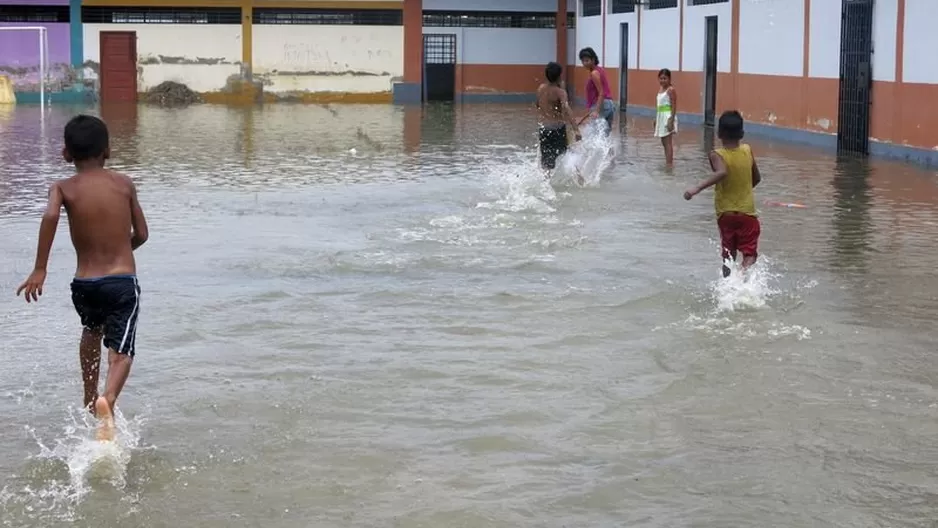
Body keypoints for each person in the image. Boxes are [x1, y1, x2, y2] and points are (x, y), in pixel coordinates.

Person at [16, 114, 148, 441]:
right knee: (121, 350)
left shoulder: (61, 187)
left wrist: (41, 268)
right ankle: (109, 399)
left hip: (84, 284)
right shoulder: (124, 183)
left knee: (91, 330)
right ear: (108, 151)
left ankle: (89, 396)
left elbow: (49, 215)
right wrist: (121, 248)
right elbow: (142, 234)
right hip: (121, 282)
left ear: (66, 154)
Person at [683, 110, 762, 278]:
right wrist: (743, 191)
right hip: (747, 214)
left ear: (719, 133)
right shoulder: (748, 150)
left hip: (725, 215)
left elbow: (722, 172)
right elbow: (757, 178)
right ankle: (742, 276)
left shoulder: (716, 154)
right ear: (742, 132)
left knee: (728, 255)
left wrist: (696, 188)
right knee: (750, 254)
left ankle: (728, 284)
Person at [536, 61, 581, 173]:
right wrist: (576, 130)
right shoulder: (561, 92)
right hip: (557, 129)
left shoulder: (541, 88)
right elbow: (567, 110)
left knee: (546, 163)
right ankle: (581, 180)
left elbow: (538, 105)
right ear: (560, 76)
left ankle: (545, 185)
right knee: (568, 154)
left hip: (544, 129)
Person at [578, 47, 615, 135]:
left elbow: (601, 92)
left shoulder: (594, 73)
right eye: (583, 61)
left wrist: (597, 111)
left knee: (594, 136)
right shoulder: (600, 70)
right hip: (609, 105)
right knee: (604, 137)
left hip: (602, 105)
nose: (584, 63)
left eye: (587, 61)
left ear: (593, 60)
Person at [655, 68, 678, 167]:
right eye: (661, 78)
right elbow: (659, 104)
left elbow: (674, 105)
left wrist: (671, 120)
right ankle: (667, 161)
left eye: (665, 78)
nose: (662, 80)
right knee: (663, 141)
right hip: (660, 116)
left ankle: (669, 164)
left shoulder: (671, 90)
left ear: (669, 79)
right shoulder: (660, 89)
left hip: (667, 116)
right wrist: (656, 119)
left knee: (668, 142)